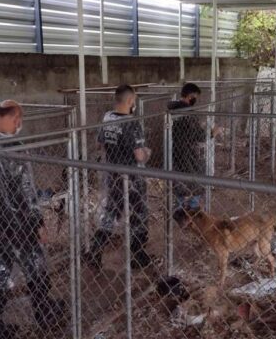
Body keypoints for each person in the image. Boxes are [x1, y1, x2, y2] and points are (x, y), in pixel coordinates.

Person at [0, 100, 65, 338]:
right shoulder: (11, 146)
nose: (20, 124)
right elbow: (24, 191)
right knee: (35, 264)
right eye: (19, 119)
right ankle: (44, 312)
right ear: (14, 117)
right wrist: (36, 223)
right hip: (18, 223)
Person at [84, 85, 153, 270]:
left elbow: (99, 144)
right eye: (134, 101)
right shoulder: (132, 123)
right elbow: (139, 155)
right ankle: (138, 254)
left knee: (111, 214)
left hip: (112, 174)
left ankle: (95, 250)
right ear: (130, 101)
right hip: (132, 177)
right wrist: (147, 153)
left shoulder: (107, 118)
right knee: (139, 214)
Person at [167, 83, 222, 216]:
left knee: (178, 179)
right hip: (187, 151)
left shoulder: (172, 109)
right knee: (198, 179)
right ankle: (193, 210)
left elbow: (186, 130)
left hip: (173, 149)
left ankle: (178, 209)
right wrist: (212, 133)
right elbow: (197, 135)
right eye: (195, 97)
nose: (195, 100)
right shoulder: (188, 112)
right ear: (190, 96)